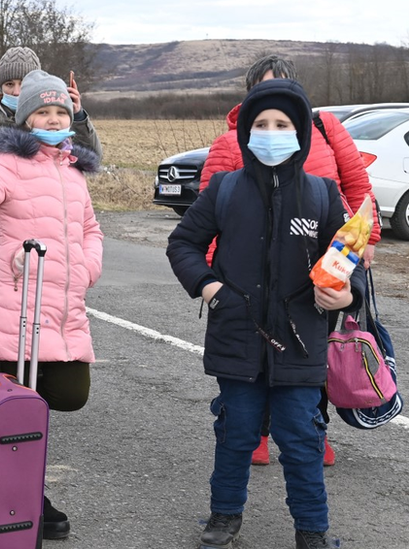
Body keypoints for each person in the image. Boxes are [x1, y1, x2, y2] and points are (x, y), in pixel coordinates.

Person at [167, 78, 366, 549]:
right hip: (237, 337)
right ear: (246, 133)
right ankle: (224, 516)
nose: (271, 131)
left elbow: (348, 262)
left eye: (282, 124)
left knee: (302, 441)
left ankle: (312, 530)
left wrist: (347, 295)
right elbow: (184, 244)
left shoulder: (322, 194)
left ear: (299, 133)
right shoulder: (225, 189)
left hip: (302, 343)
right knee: (235, 432)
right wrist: (210, 286)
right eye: (261, 123)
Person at [199, 54, 380, 466]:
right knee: (252, 358)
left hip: (321, 267)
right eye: (264, 87)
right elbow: (211, 215)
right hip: (250, 276)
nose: (273, 96)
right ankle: (255, 431)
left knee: (311, 353)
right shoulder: (231, 143)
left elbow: (357, 186)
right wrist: (214, 282)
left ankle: (313, 427)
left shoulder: (324, 129)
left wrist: (368, 241)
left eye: (282, 85)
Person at [0, 69, 103, 540]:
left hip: (63, 309)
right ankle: (24, 499)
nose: (53, 118)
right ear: (25, 117)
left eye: (60, 111)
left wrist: (86, 269)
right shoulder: (5, 162)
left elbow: (91, 229)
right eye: (43, 111)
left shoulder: (73, 168)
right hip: (18, 306)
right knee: (21, 411)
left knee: (71, 393)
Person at [0, 47, 104, 282]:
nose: (16, 91)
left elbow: (90, 158)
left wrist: (78, 116)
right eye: (9, 85)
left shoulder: (52, 122)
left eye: (22, 83)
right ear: (1, 86)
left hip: (49, 238)